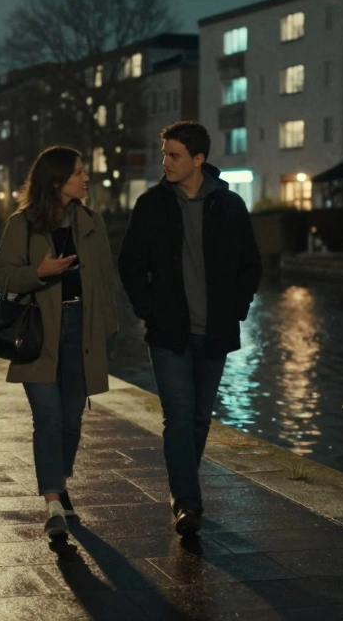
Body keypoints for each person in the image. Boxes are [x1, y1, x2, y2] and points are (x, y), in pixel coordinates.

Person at [118, 121, 261, 537]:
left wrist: (236, 309)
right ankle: (186, 500)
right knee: (178, 415)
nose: (165, 162)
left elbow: (250, 264)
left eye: (174, 155)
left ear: (199, 159)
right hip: (169, 333)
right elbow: (130, 265)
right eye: (164, 153)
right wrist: (150, 311)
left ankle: (185, 489)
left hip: (214, 332)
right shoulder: (151, 205)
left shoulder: (229, 205)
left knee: (199, 418)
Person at [0, 146, 119, 540]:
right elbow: (4, 276)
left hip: (82, 329)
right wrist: (40, 272)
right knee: (47, 418)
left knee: (71, 420)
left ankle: (59, 483)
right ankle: (52, 505)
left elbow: (105, 282)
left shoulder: (92, 222)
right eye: (78, 172)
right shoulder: (22, 224)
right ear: (56, 180)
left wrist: (107, 334)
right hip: (39, 332)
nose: (85, 178)